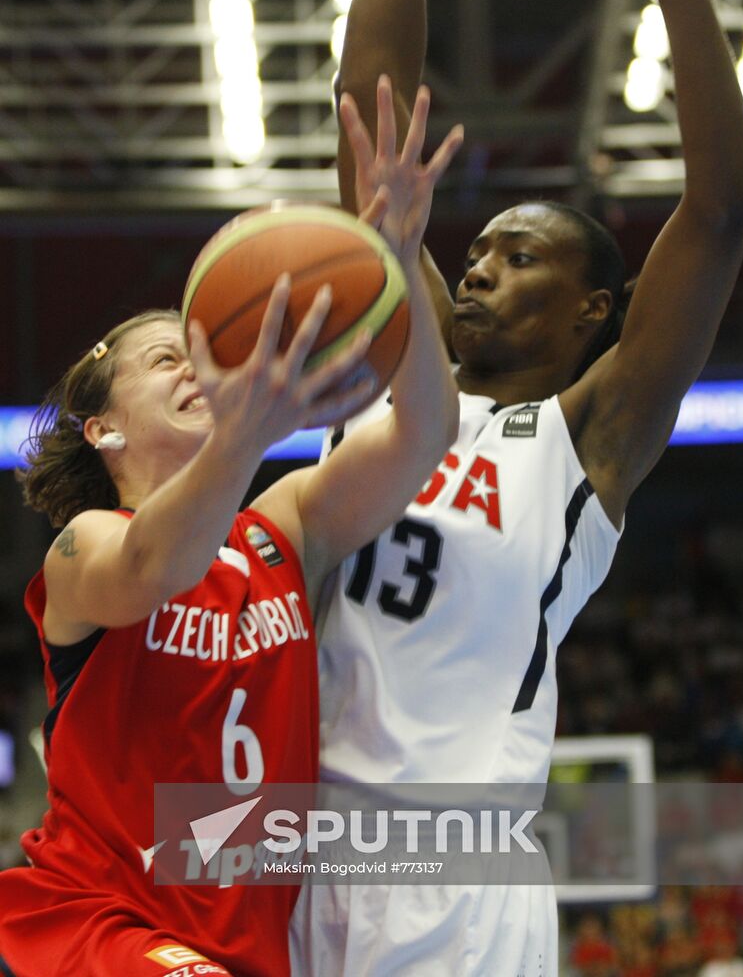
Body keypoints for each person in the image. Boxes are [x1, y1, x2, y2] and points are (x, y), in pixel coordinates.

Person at [289, 0, 743, 974]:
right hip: (303, 863)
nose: (475, 270)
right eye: (472, 253)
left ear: (591, 309)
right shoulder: (394, 365)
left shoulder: (585, 438)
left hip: (460, 881)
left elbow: (720, 210)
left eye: (515, 255)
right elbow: (369, 111)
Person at [0, 87, 463, 977]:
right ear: (105, 430)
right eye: (169, 360)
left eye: (209, 349)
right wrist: (247, 431)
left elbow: (422, 434)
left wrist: (398, 258)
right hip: (99, 918)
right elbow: (151, 568)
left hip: (240, 942)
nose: (199, 369)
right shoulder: (82, 547)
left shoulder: (278, 529)